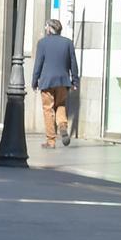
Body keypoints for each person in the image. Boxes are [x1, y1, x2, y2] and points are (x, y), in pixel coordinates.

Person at [32, 18, 79, 148]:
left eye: (46, 27)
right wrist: (75, 80)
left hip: (47, 81)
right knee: (60, 105)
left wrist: (34, 81)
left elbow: (38, 64)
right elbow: (73, 63)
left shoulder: (42, 43)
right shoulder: (68, 43)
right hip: (63, 81)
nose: (45, 29)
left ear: (49, 29)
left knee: (48, 109)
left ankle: (51, 140)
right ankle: (62, 126)